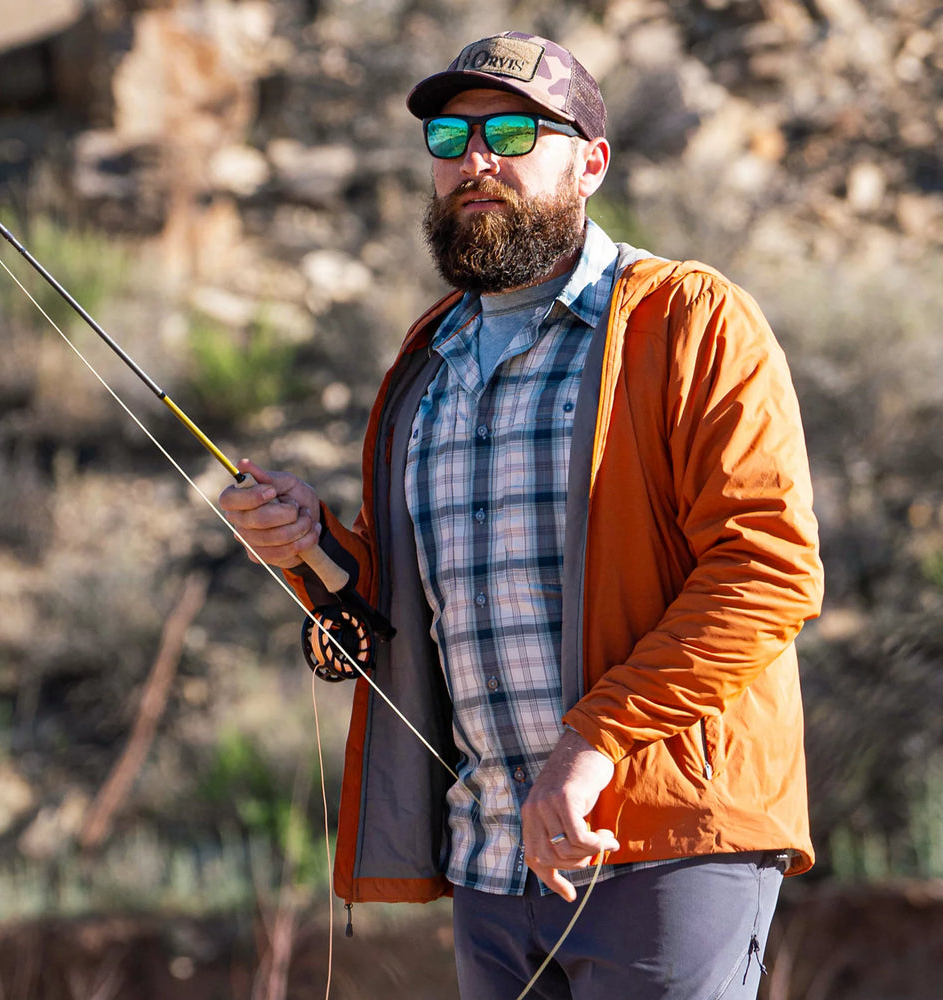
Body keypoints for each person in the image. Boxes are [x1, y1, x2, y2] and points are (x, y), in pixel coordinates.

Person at [219, 30, 823, 1000]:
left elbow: (768, 572)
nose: (475, 159)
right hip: (491, 864)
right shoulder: (424, 364)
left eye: (512, 131)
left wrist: (590, 746)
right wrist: (314, 547)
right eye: (450, 138)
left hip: (663, 845)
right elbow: (404, 607)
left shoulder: (690, 319)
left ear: (590, 163)